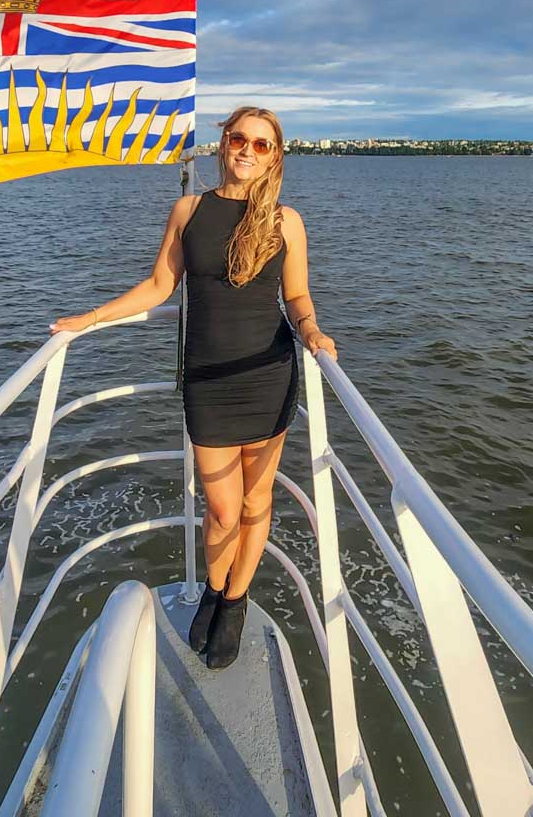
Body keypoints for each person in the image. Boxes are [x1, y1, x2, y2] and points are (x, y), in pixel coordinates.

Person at [49, 105, 337, 669]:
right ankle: (213, 584)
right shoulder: (189, 210)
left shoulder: (285, 221)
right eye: (238, 139)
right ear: (222, 144)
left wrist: (313, 331)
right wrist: (91, 317)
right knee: (224, 508)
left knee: (257, 500)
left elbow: (297, 295)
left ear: (275, 156)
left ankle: (234, 601)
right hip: (206, 380)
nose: (247, 151)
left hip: (267, 374)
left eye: (261, 144)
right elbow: (160, 285)